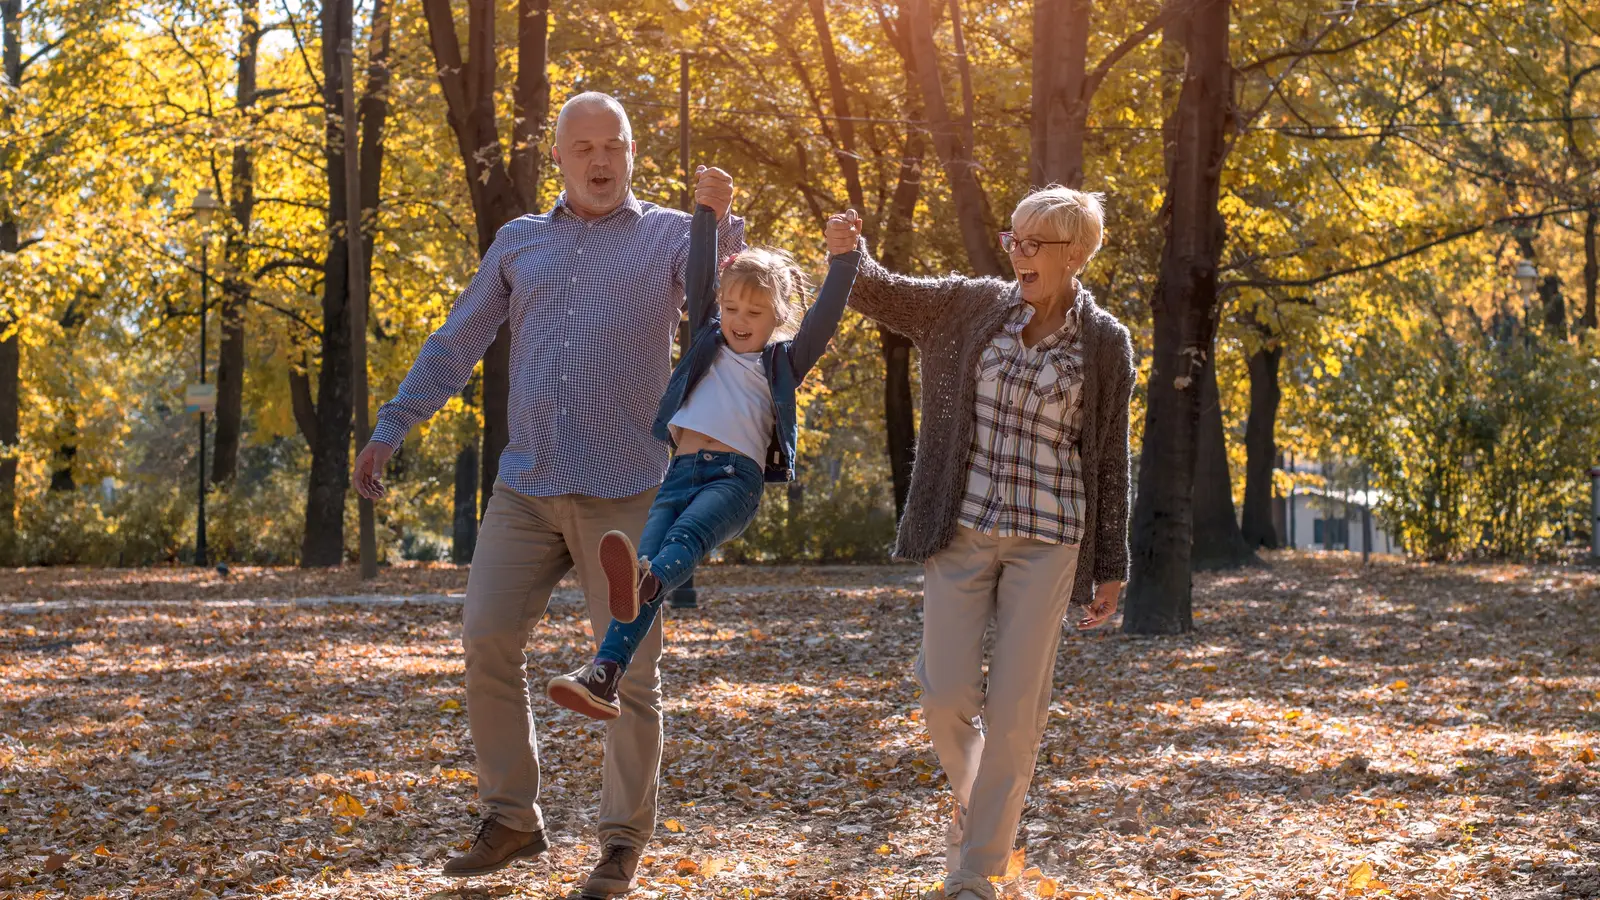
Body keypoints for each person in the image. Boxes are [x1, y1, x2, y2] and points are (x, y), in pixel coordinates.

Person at [351, 92, 744, 896]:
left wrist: (720, 222)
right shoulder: (519, 241)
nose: (601, 161)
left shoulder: (673, 235)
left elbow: (723, 304)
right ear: (558, 158)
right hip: (527, 486)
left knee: (630, 673)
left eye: (615, 146)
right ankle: (511, 819)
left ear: (632, 154)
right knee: (487, 638)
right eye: (584, 148)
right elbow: (457, 340)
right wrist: (393, 426)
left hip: (629, 490)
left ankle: (621, 843)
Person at [837, 186, 1135, 900]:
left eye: (1035, 244)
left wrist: (1110, 563)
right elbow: (886, 294)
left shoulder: (1105, 344)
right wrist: (851, 255)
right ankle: (982, 809)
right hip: (962, 527)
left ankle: (975, 872)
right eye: (1013, 239)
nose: (1018, 253)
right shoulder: (971, 306)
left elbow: (1108, 457)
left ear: (1075, 255)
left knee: (1015, 712)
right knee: (944, 693)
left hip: (1049, 539)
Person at [546, 207, 863, 719]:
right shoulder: (706, 343)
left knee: (682, 541)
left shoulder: (782, 361)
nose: (739, 320)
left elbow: (823, 319)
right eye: (731, 307)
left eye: (754, 312)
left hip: (733, 480)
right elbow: (698, 278)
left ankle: (643, 593)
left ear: (778, 317)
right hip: (678, 475)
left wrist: (843, 258)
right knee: (641, 575)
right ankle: (603, 676)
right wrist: (707, 214)